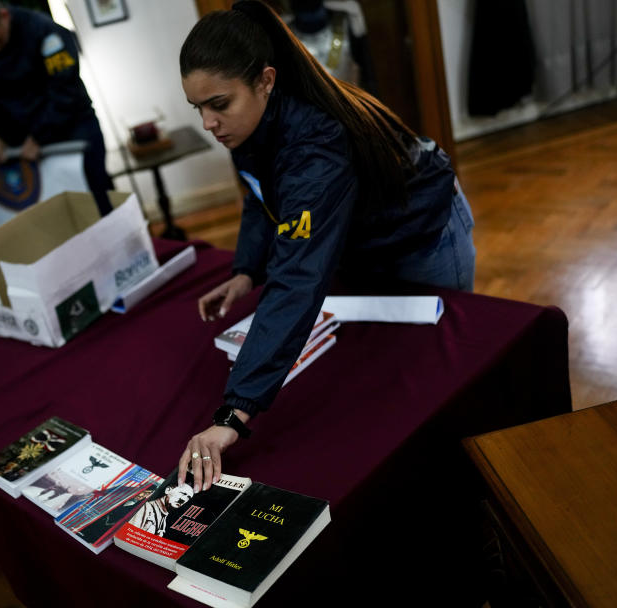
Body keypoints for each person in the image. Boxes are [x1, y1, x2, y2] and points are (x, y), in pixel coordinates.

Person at [176, 1, 476, 493]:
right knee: (389, 370)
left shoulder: (314, 143)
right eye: (199, 108)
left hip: (424, 231)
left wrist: (234, 412)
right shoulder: (250, 125)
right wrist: (247, 269)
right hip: (364, 235)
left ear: (266, 81)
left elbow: (298, 278)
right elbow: (260, 193)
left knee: (441, 369)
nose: (209, 122)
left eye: (219, 104)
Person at [0, 0, 115, 215]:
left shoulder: (45, 33)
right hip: (28, 142)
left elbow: (65, 93)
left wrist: (39, 136)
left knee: (96, 205)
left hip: (73, 131)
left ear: (4, 15)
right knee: (58, 215)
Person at [128, 482, 194, 536]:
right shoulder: (146, 507)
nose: (183, 499)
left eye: (188, 497)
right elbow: (128, 534)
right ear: (168, 490)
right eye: (182, 493)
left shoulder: (163, 517)